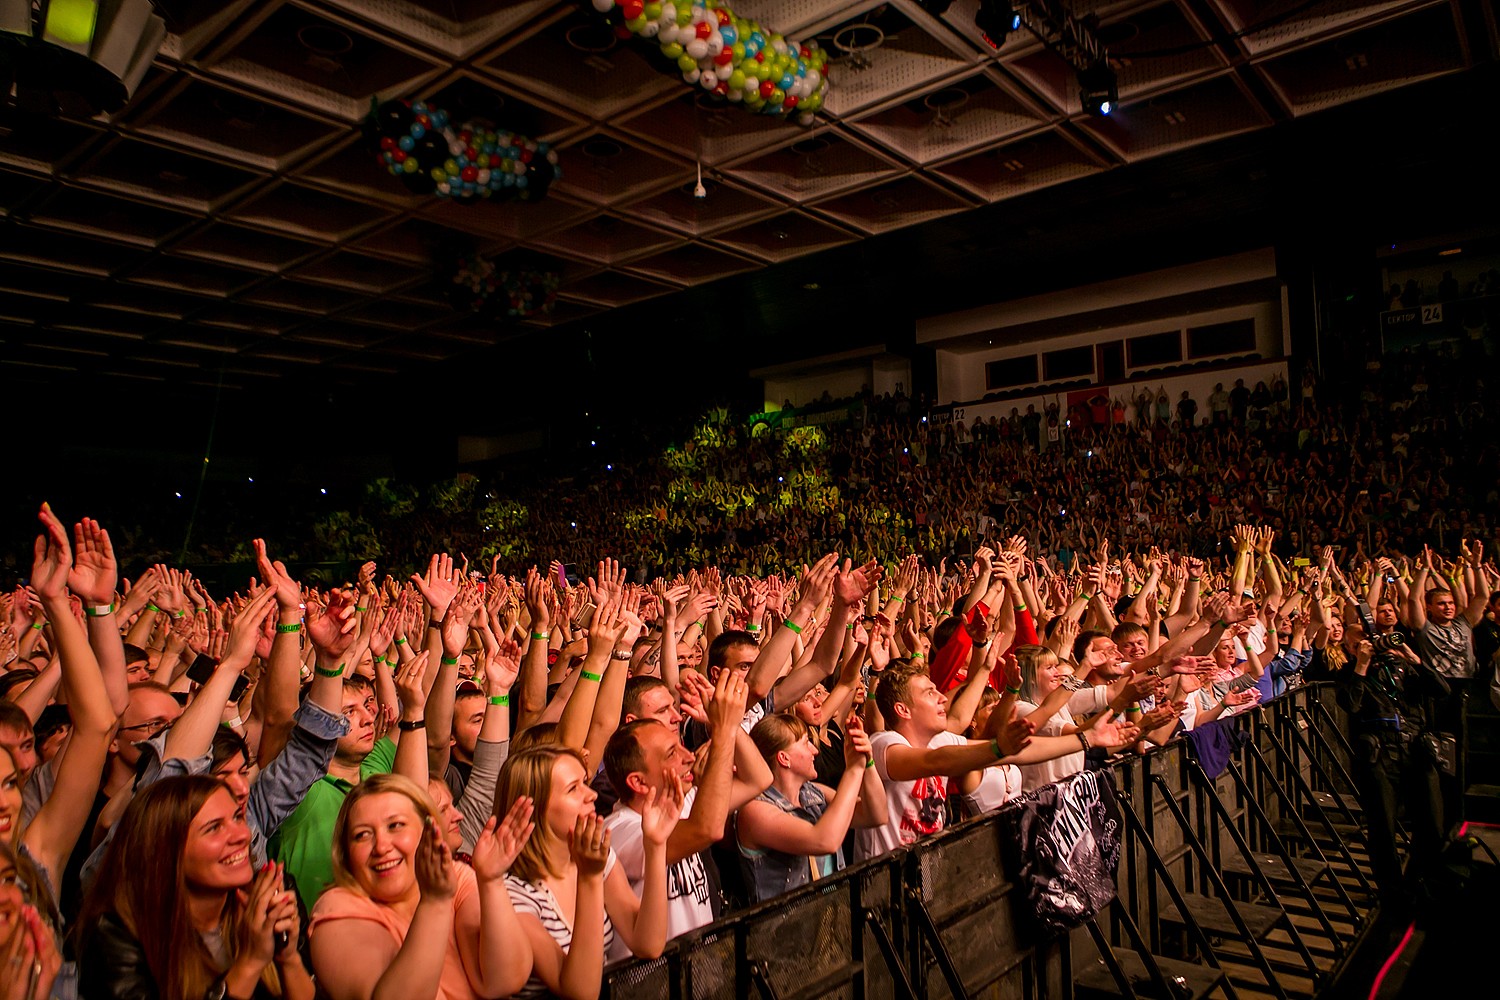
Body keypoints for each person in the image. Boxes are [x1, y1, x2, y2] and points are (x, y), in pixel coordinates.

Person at [76, 776, 313, 1000]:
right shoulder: (114, 935)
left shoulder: (267, 900)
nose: (241, 835)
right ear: (165, 853)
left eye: (238, 817)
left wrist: (287, 957)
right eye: (214, 828)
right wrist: (250, 961)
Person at [307, 773, 534, 1000]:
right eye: (362, 835)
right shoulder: (336, 908)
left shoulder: (455, 875)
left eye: (395, 825)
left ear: (428, 829)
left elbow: (505, 980)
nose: (381, 847)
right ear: (346, 852)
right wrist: (435, 903)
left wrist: (491, 881)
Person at [497, 745, 681, 1000]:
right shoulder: (512, 892)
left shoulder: (596, 859)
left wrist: (656, 845)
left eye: (585, 782)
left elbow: (648, 944)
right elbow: (580, 992)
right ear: (535, 808)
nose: (591, 795)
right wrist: (590, 878)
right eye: (574, 789)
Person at [736, 711, 886, 903]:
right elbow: (824, 841)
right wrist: (853, 770)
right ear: (784, 758)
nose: (815, 750)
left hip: (830, 919)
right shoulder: (754, 810)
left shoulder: (814, 793)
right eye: (806, 743)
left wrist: (868, 762)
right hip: (787, 930)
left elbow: (876, 815)